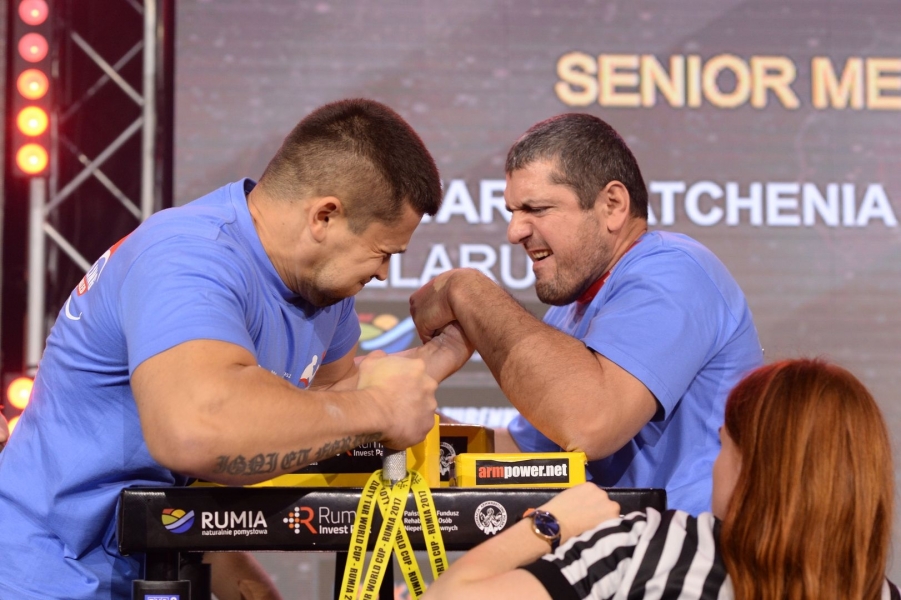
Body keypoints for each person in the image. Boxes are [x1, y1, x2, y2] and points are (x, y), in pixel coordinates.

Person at [0, 99, 471, 599]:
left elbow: (324, 413)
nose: (383, 274)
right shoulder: (186, 257)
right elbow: (197, 433)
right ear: (325, 216)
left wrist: (429, 363)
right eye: (383, 252)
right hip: (45, 574)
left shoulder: (324, 291)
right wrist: (380, 406)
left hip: (158, 561)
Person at [410, 113, 763, 514]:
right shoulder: (570, 312)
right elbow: (529, 456)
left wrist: (468, 289)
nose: (514, 232)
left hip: (694, 556)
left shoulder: (673, 272)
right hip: (621, 555)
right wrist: (394, 417)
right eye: (512, 212)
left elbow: (592, 425)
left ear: (612, 205)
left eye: (536, 209)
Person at [423, 359, 899, 599]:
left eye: (723, 446)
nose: (713, 464)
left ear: (751, 468)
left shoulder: (645, 547)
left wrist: (549, 524)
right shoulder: (880, 590)